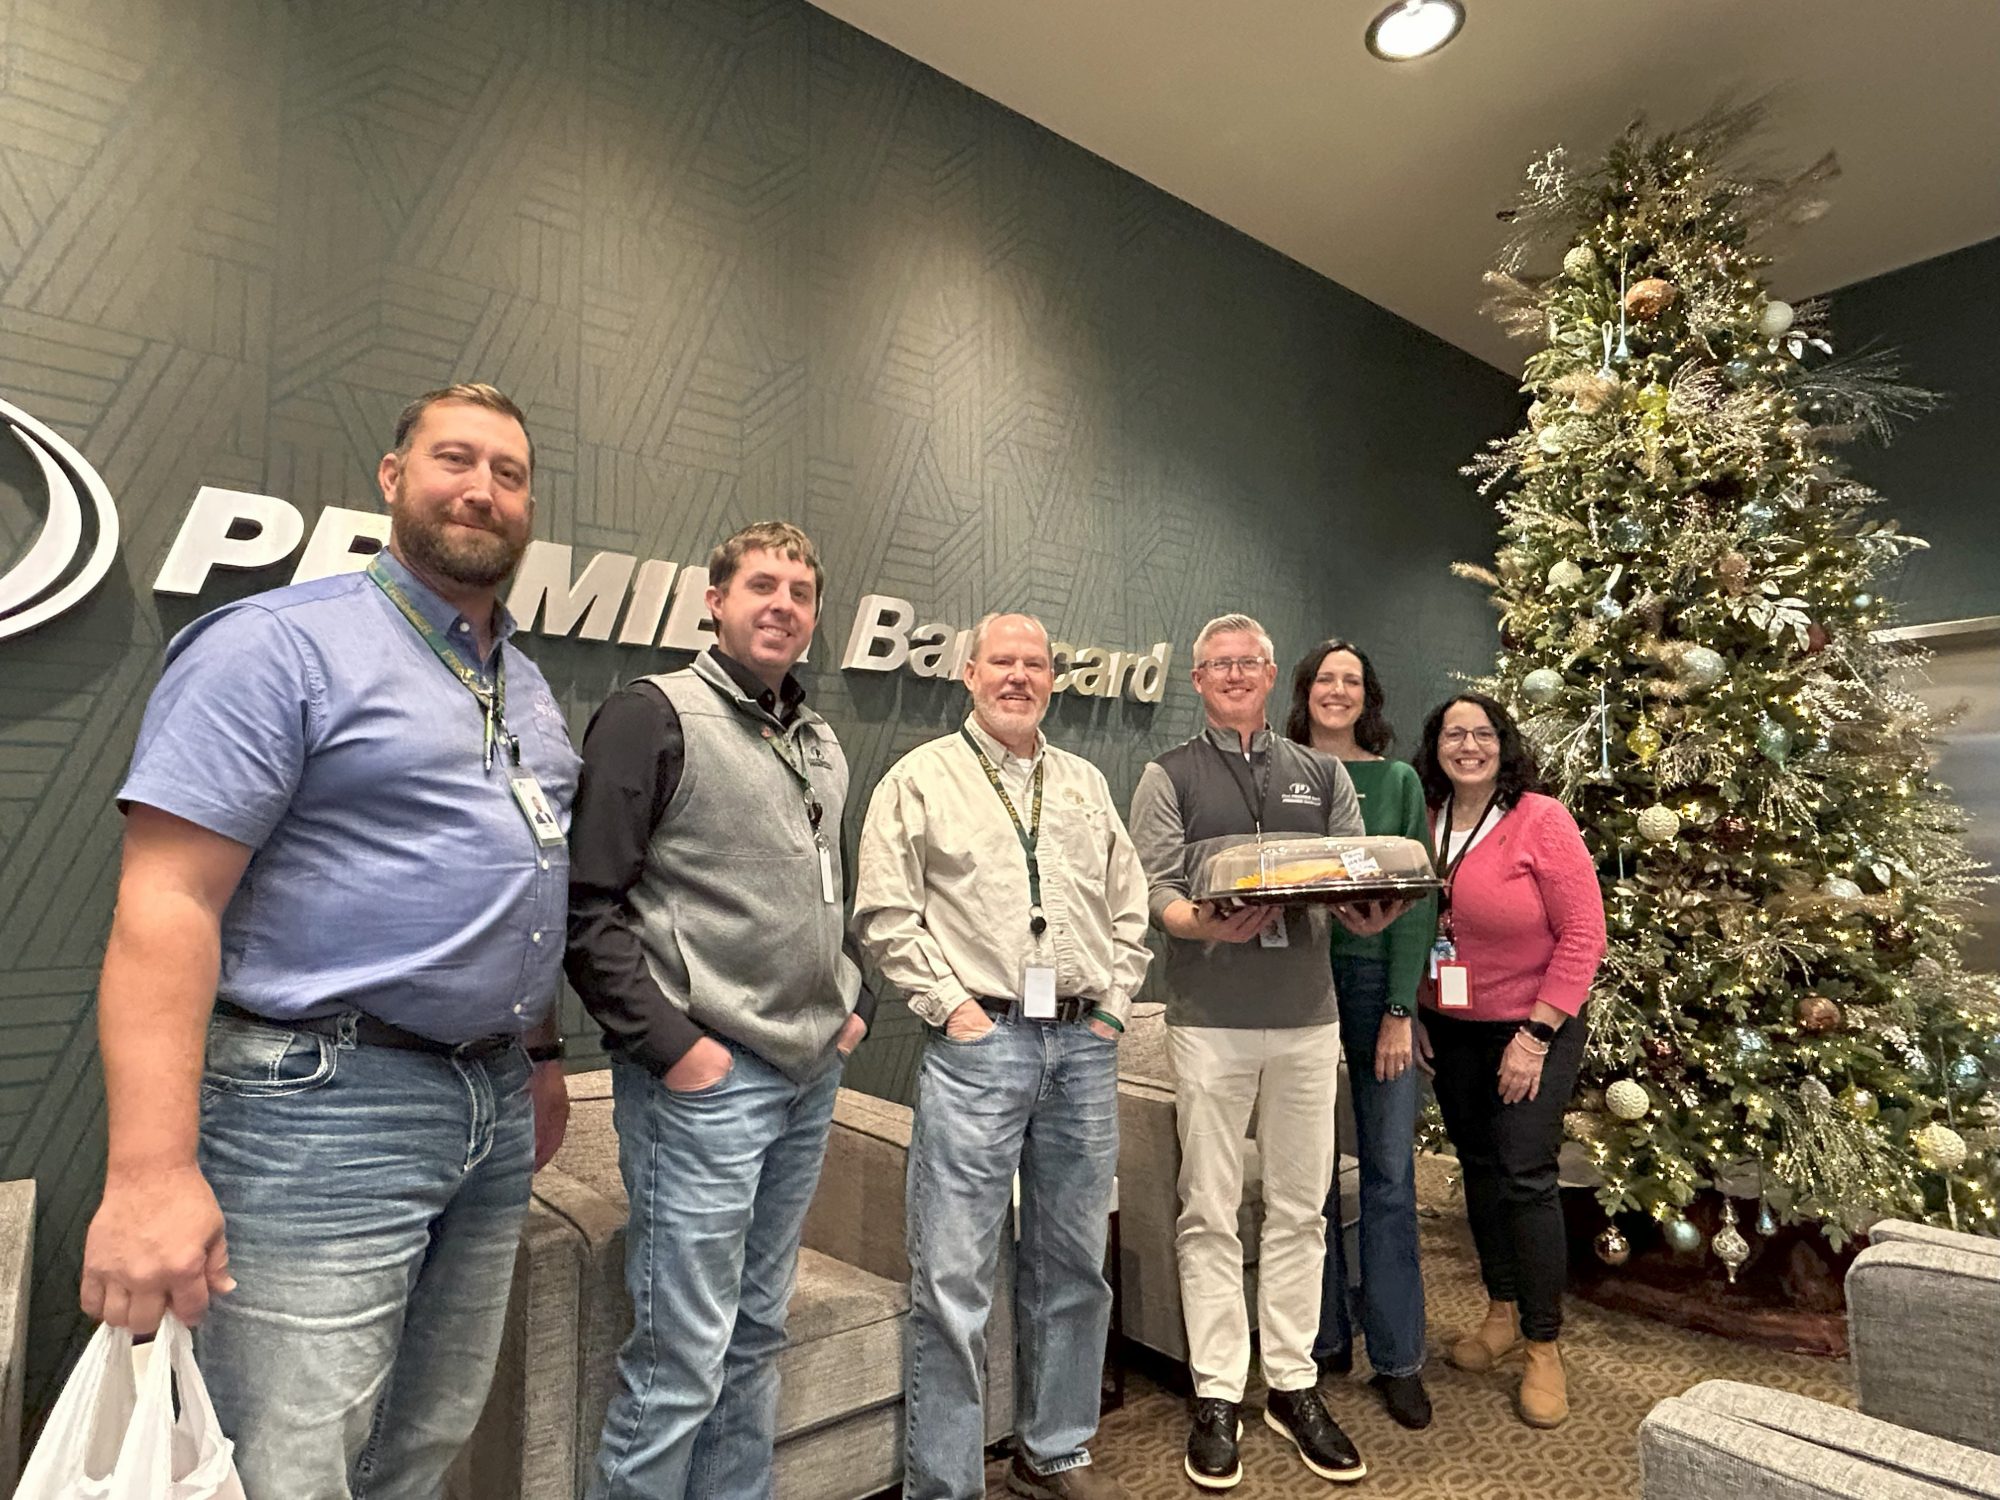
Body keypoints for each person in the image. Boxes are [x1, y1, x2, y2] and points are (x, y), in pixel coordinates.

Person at [81, 382, 579, 1497]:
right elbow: (167, 905)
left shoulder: (524, 684)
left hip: (490, 1104)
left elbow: (523, 879)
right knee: (287, 1462)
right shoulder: (276, 648)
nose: (482, 489)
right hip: (320, 1107)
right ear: (393, 479)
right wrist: (150, 1174)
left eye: (508, 473)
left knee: (425, 1435)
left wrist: (539, 1058)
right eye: (455, 459)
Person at [564, 520, 872, 1500]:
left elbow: (827, 882)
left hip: (806, 1075)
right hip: (709, 1087)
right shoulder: (651, 714)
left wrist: (849, 991)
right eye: (761, 586)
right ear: (715, 601)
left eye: (799, 592)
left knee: (753, 1333)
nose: (781, 603)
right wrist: (675, 1051)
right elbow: (584, 905)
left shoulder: (817, 738)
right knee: (682, 1354)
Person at [853, 613, 1152, 1500]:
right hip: (981, 1044)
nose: (1019, 676)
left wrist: (1113, 1010)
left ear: (1053, 679)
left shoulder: (1088, 783)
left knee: (1073, 1263)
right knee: (953, 1274)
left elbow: (1128, 908)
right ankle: (946, 1482)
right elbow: (885, 911)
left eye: (1035, 664)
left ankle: (1051, 1450)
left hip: (1083, 1049)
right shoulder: (921, 778)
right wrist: (951, 1009)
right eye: (1003, 663)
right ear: (970, 674)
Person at [1127, 613, 1403, 1491]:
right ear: (1199, 680)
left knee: (1299, 1210)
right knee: (1207, 1209)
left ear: (1270, 673)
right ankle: (1216, 1391)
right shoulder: (1166, 774)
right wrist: (1196, 920)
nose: (1235, 675)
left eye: (1249, 662)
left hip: (1307, 1019)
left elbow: (1350, 872)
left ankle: (1292, 1384)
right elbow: (1153, 890)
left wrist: (1370, 910)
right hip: (1208, 1019)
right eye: (1219, 665)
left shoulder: (1321, 773)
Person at [1412, 693, 1606, 1429]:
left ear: (1503, 744)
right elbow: (1413, 923)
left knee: (1525, 1174)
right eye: (1454, 733)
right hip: (1452, 1029)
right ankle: (1499, 1311)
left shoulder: (1540, 819)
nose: (1468, 745)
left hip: (1534, 1025)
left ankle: (1543, 1344)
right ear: (1436, 747)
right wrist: (1419, 1010)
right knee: (1481, 1169)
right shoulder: (1424, 820)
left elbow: (1585, 933)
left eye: (1482, 733)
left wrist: (1534, 1035)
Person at [1283, 641, 1438, 1429]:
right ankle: (1321, 1338)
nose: (1336, 691)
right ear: (1305, 692)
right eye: (1324, 679)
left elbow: (1420, 901)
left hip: (1378, 987)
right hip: (1301, 984)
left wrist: (1401, 1011)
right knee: (1306, 1175)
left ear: (1365, 696)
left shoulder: (1399, 779)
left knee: (1386, 1174)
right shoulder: (1279, 776)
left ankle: (1399, 1355)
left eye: (1351, 680)